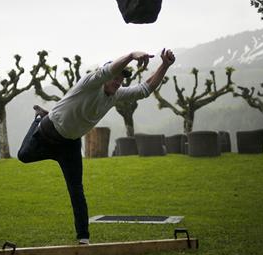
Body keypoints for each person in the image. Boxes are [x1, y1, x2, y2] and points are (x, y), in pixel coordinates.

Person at [18, 49, 176, 243]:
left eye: (121, 79)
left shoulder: (115, 96)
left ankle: (83, 238)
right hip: (47, 132)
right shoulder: (90, 83)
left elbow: (145, 89)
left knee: (76, 189)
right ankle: (38, 117)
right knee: (23, 156)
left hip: (70, 144)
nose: (118, 81)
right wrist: (131, 55)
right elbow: (106, 72)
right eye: (115, 77)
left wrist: (165, 65)